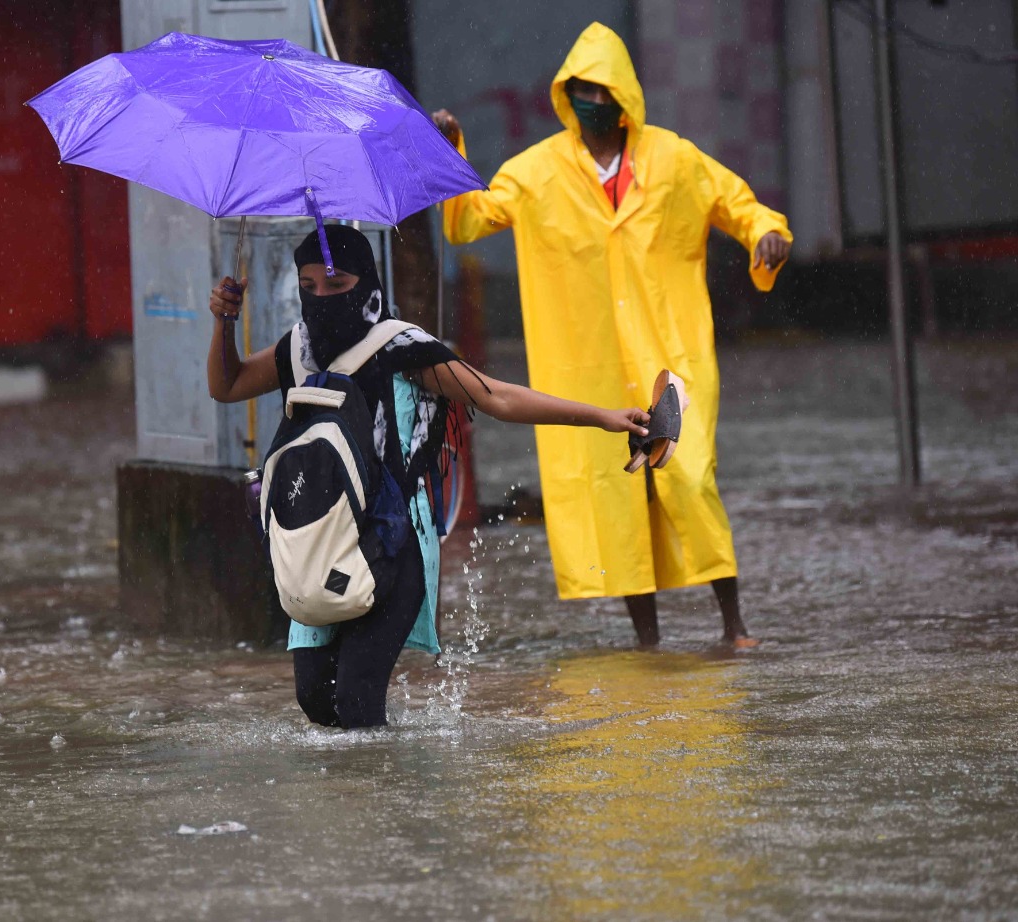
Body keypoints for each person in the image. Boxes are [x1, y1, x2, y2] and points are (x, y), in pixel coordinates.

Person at [432, 23, 792, 648]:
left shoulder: (675, 160)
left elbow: (740, 204)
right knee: (615, 495)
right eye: (579, 90)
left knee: (690, 477)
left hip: (669, 353)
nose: (591, 102)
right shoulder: (537, 171)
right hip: (589, 363)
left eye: (600, 90)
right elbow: (467, 220)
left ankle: (734, 626)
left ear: (624, 97)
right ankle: (646, 641)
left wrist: (767, 233)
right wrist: (452, 149)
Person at [207, 224, 650, 729]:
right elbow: (230, 384)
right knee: (313, 698)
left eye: (336, 284)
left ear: (370, 285)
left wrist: (604, 416)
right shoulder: (297, 350)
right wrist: (224, 322)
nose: (322, 298)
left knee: (356, 700)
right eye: (308, 288)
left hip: (393, 542)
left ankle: (384, 802)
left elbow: (494, 396)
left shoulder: (403, 346)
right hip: (316, 542)